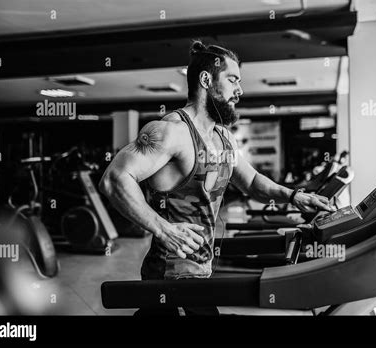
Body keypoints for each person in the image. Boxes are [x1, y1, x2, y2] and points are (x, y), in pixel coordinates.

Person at [99, 40, 334, 315]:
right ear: (206, 79)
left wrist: (294, 196)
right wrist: (163, 229)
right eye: (233, 80)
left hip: (201, 271)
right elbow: (114, 178)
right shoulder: (171, 131)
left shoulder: (224, 138)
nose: (240, 90)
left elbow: (253, 181)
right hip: (171, 276)